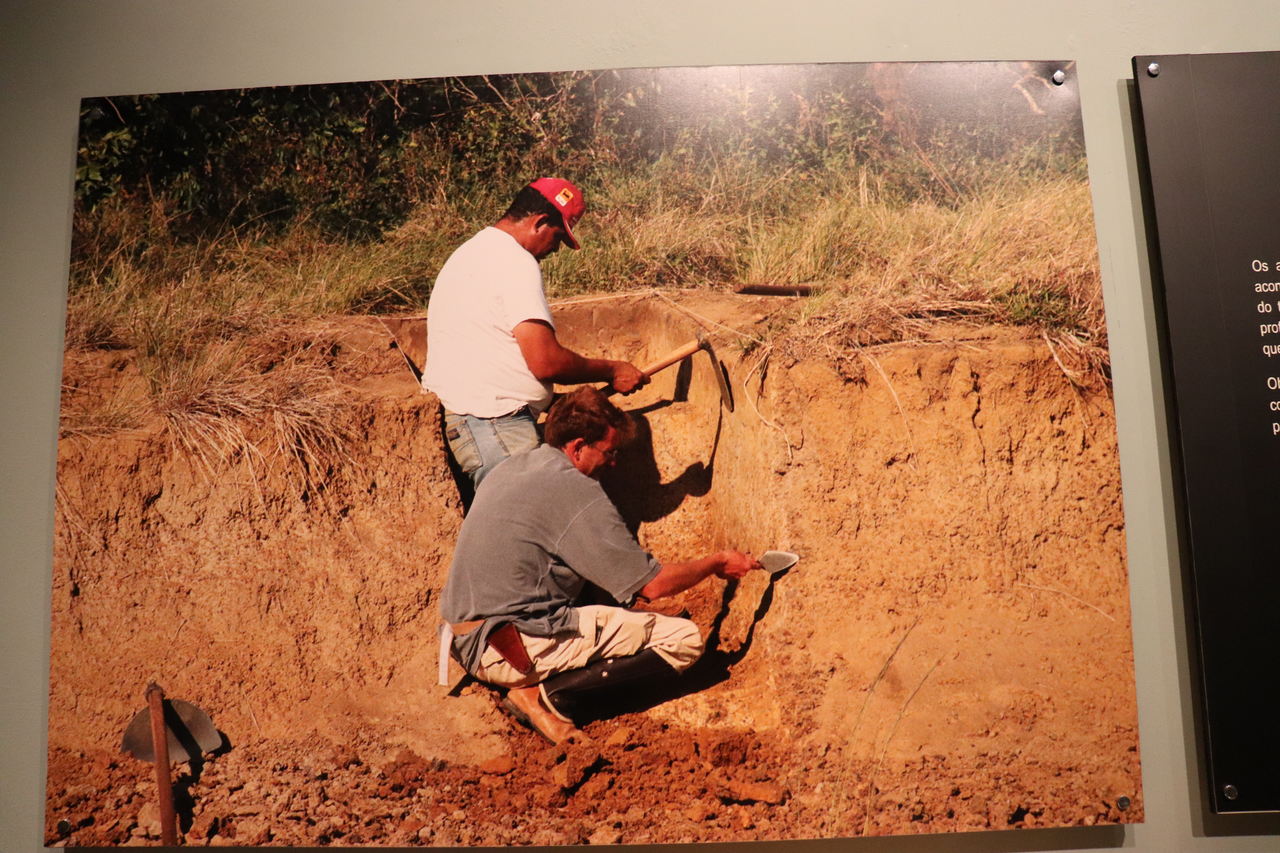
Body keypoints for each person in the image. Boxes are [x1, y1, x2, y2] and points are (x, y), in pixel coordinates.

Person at [439, 387, 760, 743]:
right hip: (510, 649)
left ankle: (538, 682)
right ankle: (550, 698)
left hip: (464, 638)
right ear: (577, 447)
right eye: (610, 452)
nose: (614, 462)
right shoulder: (575, 491)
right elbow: (653, 586)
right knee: (682, 639)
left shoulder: (515, 466)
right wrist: (716, 563)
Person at [422, 178, 647, 496]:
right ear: (540, 222)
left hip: (480, 422)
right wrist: (612, 370)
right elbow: (546, 362)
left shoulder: (472, 253)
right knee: (526, 530)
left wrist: (550, 402)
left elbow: (490, 352)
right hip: (496, 426)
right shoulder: (515, 262)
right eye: (558, 237)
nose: (555, 250)